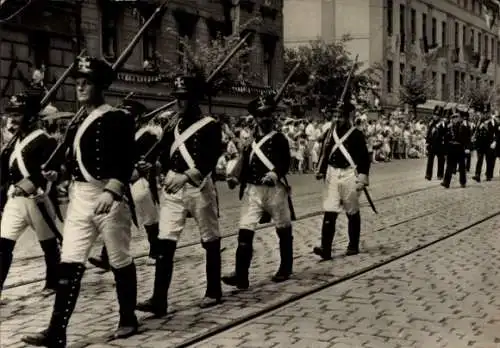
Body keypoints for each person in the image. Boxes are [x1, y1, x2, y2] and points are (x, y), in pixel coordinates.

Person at [22, 56, 138, 347]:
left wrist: (113, 189)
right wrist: (56, 172)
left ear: (101, 86)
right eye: (78, 83)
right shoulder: (77, 122)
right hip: (80, 197)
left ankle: (128, 318)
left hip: (108, 197)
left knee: (120, 258)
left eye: (87, 83)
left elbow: (127, 158)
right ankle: (56, 331)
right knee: (69, 260)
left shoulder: (118, 118)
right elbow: (72, 162)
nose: (81, 88)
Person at [136, 69, 223, 317]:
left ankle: (213, 290)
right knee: (165, 242)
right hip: (173, 189)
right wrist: (150, 163)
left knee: (210, 238)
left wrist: (187, 175)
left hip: (198, 187)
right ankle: (159, 299)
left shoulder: (210, 126)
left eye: (183, 97)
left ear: (194, 99)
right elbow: (163, 151)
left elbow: (209, 159)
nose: (178, 101)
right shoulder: (172, 124)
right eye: (177, 97)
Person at [222, 94, 294, 290]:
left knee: (283, 228)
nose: (265, 118)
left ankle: (286, 267)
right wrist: (235, 178)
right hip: (253, 190)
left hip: (275, 190)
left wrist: (274, 173)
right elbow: (245, 164)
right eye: (261, 115)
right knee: (245, 230)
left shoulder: (279, 139)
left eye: (268, 114)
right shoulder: (251, 142)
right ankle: (241, 275)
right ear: (255, 118)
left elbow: (285, 162)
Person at [88, 100, 162, 270]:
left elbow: (150, 158)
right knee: (114, 215)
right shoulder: (119, 134)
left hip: (139, 179)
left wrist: (142, 166)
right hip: (121, 181)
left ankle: (155, 250)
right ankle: (106, 256)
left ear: (138, 117)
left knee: (147, 213)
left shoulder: (147, 135)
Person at [0, 91, 60, 298]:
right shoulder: (13, 144)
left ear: (31, 116)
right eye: (11, 114)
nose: (12, 119)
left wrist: (30, 183)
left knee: (49, 244)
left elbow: (49, 172)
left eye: (18, 114)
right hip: (15, 200)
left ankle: (53, 282)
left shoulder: (46, 141)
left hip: (38, 199)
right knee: (3, 244)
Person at [313, 100, 370, 260]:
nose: (337, 119)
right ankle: (326, 248)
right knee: (329, 211)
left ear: (348, 117)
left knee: (352, 211)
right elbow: (325, 151)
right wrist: (321, 169)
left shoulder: (356, 134)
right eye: (335, 115)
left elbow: (364, 159)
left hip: (349, 173)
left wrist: (362, 179)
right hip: (332, 173)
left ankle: (353, 245)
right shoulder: (330, 132)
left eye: (340, 116)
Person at [441, 110, 471, 188]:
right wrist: (445, 151)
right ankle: (446, 182)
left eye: (456, 117)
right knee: (449, 166)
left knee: (462, 166)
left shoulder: (464, 128)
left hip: (460, 148)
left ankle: (463, 182)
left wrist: (467, 148)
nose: (454, 119)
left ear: (460, 118)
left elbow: (468, 139)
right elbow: (445, 140)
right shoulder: (448, 127)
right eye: (453, 117)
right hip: (451, 148)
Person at [425, 106, 446, 180]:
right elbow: (429, 133)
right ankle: (428, 174)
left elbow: (444, 133)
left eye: (437, 115)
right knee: (430, 160)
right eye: (434, 115)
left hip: (440, 144)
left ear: (439, 116)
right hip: (432, 144)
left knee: (441, 160)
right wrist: (427, 142)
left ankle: (440, 174)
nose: (435, 116)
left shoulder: (442, 123)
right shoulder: (431, 123)